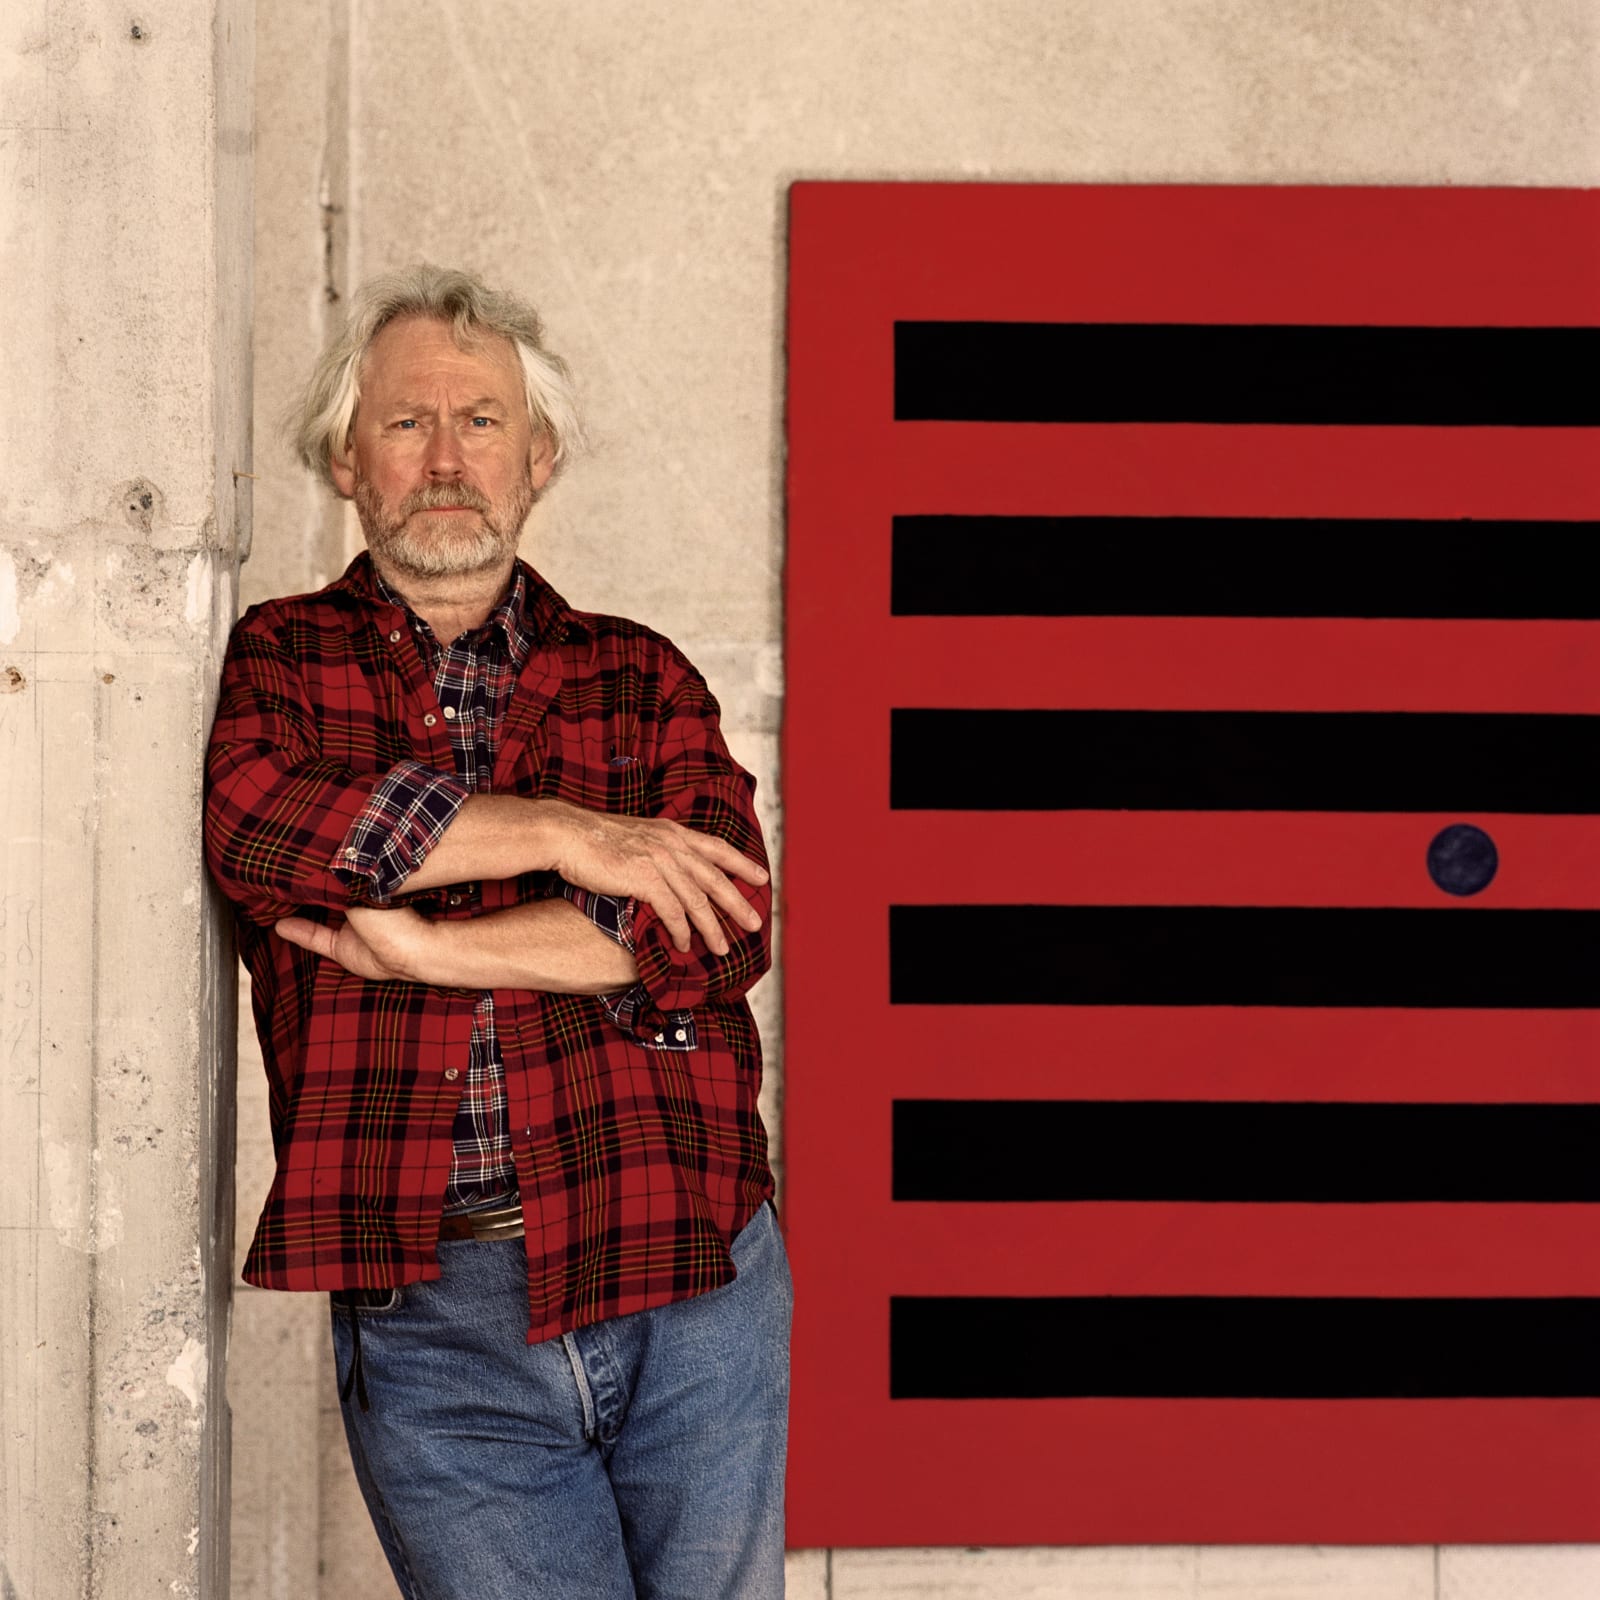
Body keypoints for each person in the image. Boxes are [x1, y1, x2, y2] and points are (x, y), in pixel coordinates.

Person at [205, 265, 789, 1599]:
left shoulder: (640, 677)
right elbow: (264, 825)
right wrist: (574, 836)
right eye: (408, 422)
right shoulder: (282, 661)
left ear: (538, 460)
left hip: (690, 1265)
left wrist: (434, 946)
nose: (448, 455)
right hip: (437, 1309)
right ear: (348, 461)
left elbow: (715, 924)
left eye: (483, 422)